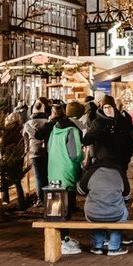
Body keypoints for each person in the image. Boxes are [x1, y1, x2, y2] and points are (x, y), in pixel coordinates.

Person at [36, 101, 85, 255]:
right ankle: (63, 240)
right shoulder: (72, 130)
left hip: (54, 171)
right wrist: (84, 155)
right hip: (67, 172)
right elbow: (75, 154)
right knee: (67, 208)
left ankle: (61, 238)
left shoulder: (55, 128)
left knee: (56, 208)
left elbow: (50, 149)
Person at [77, 157, 131, 256]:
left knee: (95, 211)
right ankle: (114, 247)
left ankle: (97, 246)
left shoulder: (91, 172)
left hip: (93, 214)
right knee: (124, 212)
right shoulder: (120, 173)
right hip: (115, 214)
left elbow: (80, 191)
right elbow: (127, 197)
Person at [83, 95, 133, 172]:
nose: (107, 110)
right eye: (105, 107)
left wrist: (127, 159)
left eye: (109, 107)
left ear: (114, 107)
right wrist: (101, 132)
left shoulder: (122, 121)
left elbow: (129, 140)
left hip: (121, 164)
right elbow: (87, 140)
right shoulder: (98, 122)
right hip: (104, 165)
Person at [22, 98, 50, 205]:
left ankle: (40, 199)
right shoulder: (47, 122)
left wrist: (27, 150)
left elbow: (25, 140)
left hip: (34, 152)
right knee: (47, 174)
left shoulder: (28, 124)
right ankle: (49, 197)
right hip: (47, 150)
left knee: (38, 176)